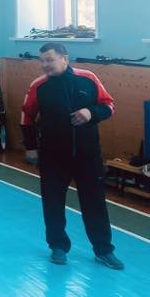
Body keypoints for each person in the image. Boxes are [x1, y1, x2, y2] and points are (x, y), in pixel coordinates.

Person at [21, 42, 124, 269]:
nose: (44, 65)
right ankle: (58, 246)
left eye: (49, 60)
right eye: (41, 61)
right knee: (53, 202)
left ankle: (103, 250)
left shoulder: (88, 79)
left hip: (88, 156)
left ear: (64, 59)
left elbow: (109, 106)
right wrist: (31, 147)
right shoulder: (38, 86)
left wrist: (91, 112)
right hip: (53, 156)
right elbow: (26, 117)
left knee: (95, 203)